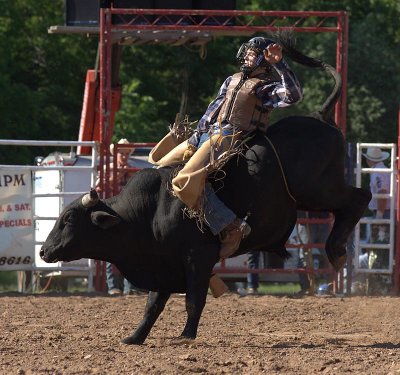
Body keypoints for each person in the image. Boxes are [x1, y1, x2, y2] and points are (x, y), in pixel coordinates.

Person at [149, 36, 302, 259]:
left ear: (263, 60)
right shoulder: (233, 79)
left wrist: (280, 64)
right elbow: (213, 110)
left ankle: (230, 225)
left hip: (228, 137)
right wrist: (196, 135)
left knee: (183, 180)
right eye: (247, 52)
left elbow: (293, 95)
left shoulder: (264, 87)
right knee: (158, 169)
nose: (247, 56)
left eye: (252, 53)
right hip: (204, 135)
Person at [97, 138, 140, 295]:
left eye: (126, 153)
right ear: (116, 154)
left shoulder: (132, 170)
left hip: (127, 214)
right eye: (122, 152)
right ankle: (113, 286)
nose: (124, 155)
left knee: (130, 250)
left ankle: (130, 286)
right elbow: (99, 188)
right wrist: (117, 175)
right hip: (110, 211)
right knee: (111, 250)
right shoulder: (108, 169)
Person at [361, 147, 391, 294]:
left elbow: (383, 193)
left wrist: (379, 214)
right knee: (381, 248)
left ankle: (379, 284)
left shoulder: (378, 173)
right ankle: (381, 283)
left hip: (384, 213)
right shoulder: (382, 170)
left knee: (379, 247)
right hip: (386, 212)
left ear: (370, 159)